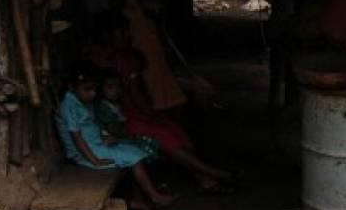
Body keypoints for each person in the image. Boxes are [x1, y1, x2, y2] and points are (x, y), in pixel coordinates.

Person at [88, 18, 239, 195]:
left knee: (171, 129)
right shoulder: (108, 59)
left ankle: (205, 176)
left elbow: (136, 94)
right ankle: (211, 174)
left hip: (126, 112)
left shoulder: (114, 58)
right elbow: (134, 95)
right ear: (107, 35)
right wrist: (150, 114)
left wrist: (150, 114)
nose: (127, 36)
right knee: (165, 133)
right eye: (121, 32)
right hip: (119, 117)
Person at [57, 64, 177, 210]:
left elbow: (92, 125)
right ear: (71, 87)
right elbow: (77, 137)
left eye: (94, 89)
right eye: (88, 89)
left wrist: (105, 136)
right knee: (134, 158)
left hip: (96, 144)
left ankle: (139, 199)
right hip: (87, 152)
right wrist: (94, 160)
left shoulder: (81, 101)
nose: (93, 94)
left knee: (136, 150)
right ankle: (155, 196)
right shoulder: (69, 106)